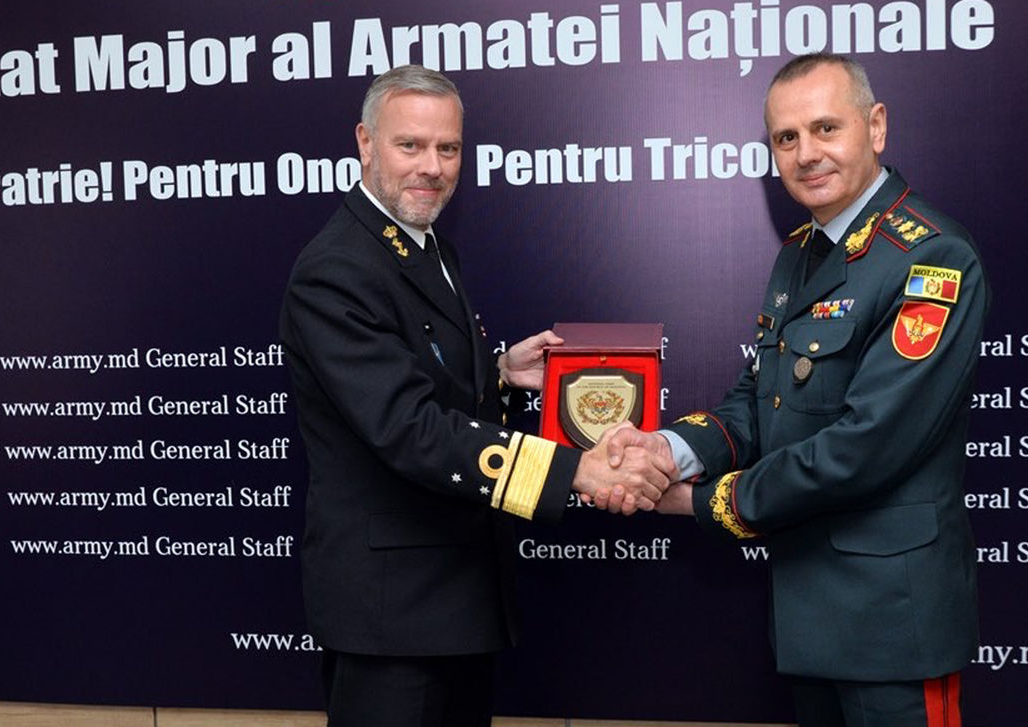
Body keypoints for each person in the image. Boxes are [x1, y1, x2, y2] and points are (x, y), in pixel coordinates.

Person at [279, 65, 673, 727]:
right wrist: (574, 471)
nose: (432, 167)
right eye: (410, 145)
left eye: (449, 148)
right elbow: (410, 429)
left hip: (450, 598)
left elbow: (419, 378)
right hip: (393, 617)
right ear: (365, 143)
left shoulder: (429, 246)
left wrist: (498, 373)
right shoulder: (337, 270)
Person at [605, 53, 989, 726]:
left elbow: (866, 446)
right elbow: (759, 403)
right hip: (811, 617)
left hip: (893, 625)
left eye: (825, 128)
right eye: (786, 137)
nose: (806, 153)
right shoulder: (800, 254)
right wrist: (667, 450)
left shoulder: (931, 256)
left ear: (876, 126)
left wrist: (700, 501)